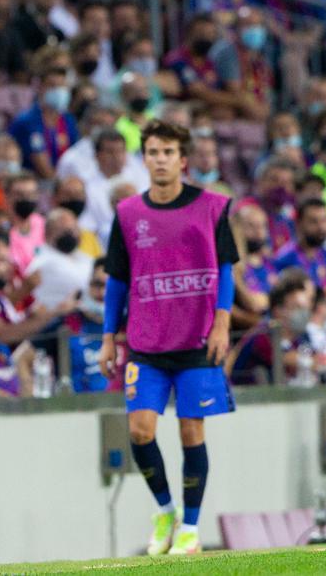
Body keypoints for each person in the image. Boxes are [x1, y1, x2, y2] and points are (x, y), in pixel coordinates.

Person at [97, 120, 238, 555]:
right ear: (145, 158)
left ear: (183, 160)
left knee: (191, 432)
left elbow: (227, 268)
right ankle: (165, 510)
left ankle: (191, 528)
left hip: (197, 340)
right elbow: (117, 281)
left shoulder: (212, 207)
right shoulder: (128, 214)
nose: (159, 159)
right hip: (147, 339)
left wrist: (222, 321)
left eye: (167, 152)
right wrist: (108, 336)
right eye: (153, 151)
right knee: (140, 431)